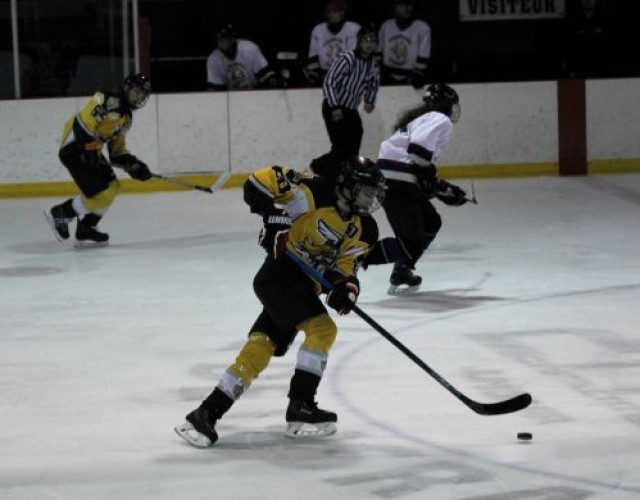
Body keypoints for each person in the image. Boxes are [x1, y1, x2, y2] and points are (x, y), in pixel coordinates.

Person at [174, 156, 386, 448]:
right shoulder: (311, 192)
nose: (371, 198)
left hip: (301, 288)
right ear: (348, 186)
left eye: (374, 192)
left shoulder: (366, 229)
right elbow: (257, 182)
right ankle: (301, 406)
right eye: (366, 190)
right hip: (279, 276)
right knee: (323, 330)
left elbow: (345, 268)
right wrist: (275, 219)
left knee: (261, 345)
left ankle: (205, 414)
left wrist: (345, 289)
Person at [365, 83, 468, 294]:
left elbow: (412, 162)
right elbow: (419, 150)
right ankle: (358, 255)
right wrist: (432, 181)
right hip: (397, 181)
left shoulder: (421, 118)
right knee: (411, 243)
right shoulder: (441, 119)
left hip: (393, 178)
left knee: (431, 221)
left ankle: (402, 268)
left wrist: (438, 186)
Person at [44, 73, 153, 247]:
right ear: (126, 88)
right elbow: (82, 125)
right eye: (136, 92)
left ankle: (86, 228)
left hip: (90, 151)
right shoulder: (105, 99)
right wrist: (89, 152)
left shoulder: (126, 119)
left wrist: (133, 165)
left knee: (112, 187)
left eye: (142, 95)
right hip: (73, 149)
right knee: (98, 194)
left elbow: (116, 152)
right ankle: (60, 213)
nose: (138, 98)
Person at [309, 26, 380, 183]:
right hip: (334, 106)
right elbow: (330, 81)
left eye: (373, 41)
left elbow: (373, 83)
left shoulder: (372, 64)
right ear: (359, 42)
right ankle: (319, 166)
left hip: (350, 108)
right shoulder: (347, 58)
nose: (369, 44)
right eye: (366, 40)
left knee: (355, 141)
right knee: (341, 145)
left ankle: (345, 174)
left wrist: (370, 101)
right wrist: (335, 107)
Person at [206, 24, 278, 90]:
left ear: (233, 38)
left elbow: (265, 74)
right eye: (219, 38)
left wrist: (272, 80)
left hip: (255, 92)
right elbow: (215, 88)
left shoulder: (249, 47)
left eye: (225, 37)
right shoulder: (213, 59)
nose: (222, 41)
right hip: (230, 98)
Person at [305, 0, 361, 86]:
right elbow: (313, 59)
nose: (332, 15)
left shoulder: (353, 28)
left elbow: (352, 58)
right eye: (329, 11)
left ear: (343, 13)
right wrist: (315, 75)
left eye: (335, 11)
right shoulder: (318, 30)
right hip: (323, 75)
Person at [378, 0, 431, 88]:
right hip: (387, 77)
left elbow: (423, 55)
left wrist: (418, 74)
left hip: (411, 78)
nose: (398, 8)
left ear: (409, 7)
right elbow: (379, 50)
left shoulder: (422, 28)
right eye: (396, 5)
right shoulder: (386, 25)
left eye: (401, 5)